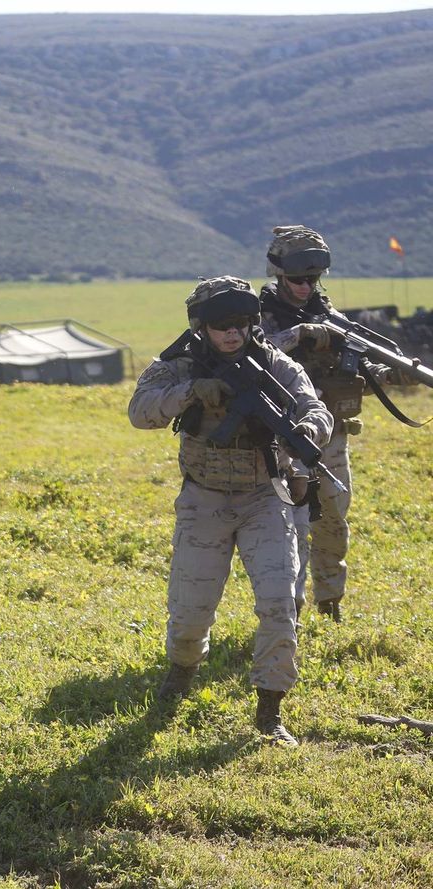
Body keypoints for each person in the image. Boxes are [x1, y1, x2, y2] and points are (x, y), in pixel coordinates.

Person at [129, 276, 332, 747]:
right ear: (203, 327)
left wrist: (305, 430)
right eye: (223, 325)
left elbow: (316, 410)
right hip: (205, 499)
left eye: (242, 323)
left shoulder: (275, 365)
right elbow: (140, 411)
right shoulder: (178, 364)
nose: (233, 333)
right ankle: (180, 676)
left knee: (281, 603)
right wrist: (193, 391)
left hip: (266, 498)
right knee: (190, 611)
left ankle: (269, 709)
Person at [258, 225, 393, 622]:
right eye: (297, 279)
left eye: (313, 279)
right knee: (293, 524)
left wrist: (392, 375)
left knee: (333, 518)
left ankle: (330, 599)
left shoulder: (329, 316)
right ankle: (291, 611)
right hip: (284, 436)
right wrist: (299, 335)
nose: (305, 287)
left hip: (331, 435)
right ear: (278, 274)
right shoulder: (253, 315)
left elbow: (361, 371)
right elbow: (254, 355)